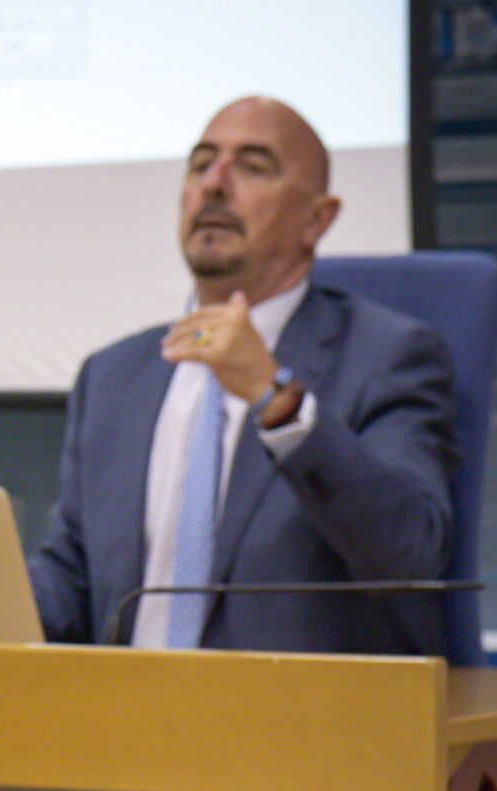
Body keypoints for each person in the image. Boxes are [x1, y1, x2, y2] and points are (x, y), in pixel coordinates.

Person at [28, 96, 458, 655]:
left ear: (316, 219)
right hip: (125, 704)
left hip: (292, 707)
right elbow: (73, 580)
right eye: (200, 164)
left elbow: (411, 553)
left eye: (253, 167)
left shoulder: (386, 357)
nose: (214, 184)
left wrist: (278, 402)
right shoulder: (112, 376)